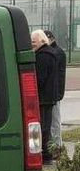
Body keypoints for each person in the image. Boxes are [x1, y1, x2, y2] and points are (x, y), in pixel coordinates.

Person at [33, 30, 59, 163]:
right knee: (46, 125)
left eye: (34, 42)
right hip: (49, 97)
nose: (32, 45)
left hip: (43, 97)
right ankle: (46, 152)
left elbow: (39, 79)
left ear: (42, 41)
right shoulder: (51, 53)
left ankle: (44, 153)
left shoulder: (42, 56)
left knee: (42, 126)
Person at [45, 30, 66, 150]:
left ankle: (57, 146)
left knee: (54, 121)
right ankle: (56, 145)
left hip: (55, 92)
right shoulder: (56, 52)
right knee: (53, 121)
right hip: (55, 92)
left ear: (50, 38)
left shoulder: (56, 53)